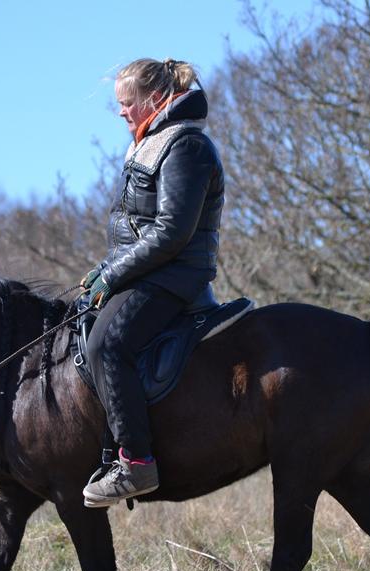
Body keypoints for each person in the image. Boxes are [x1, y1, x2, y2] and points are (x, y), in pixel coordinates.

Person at [80, 57, 225, 508]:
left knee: (108, 344)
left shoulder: (186, 147)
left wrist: (113, 272)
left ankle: (137, 464)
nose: (122, 112)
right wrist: (106, 270)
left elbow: (171, 233)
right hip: (149, 272)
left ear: (156, 99)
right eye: (119, 104)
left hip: (174, 276)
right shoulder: (151, 143)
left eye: (127, 103)